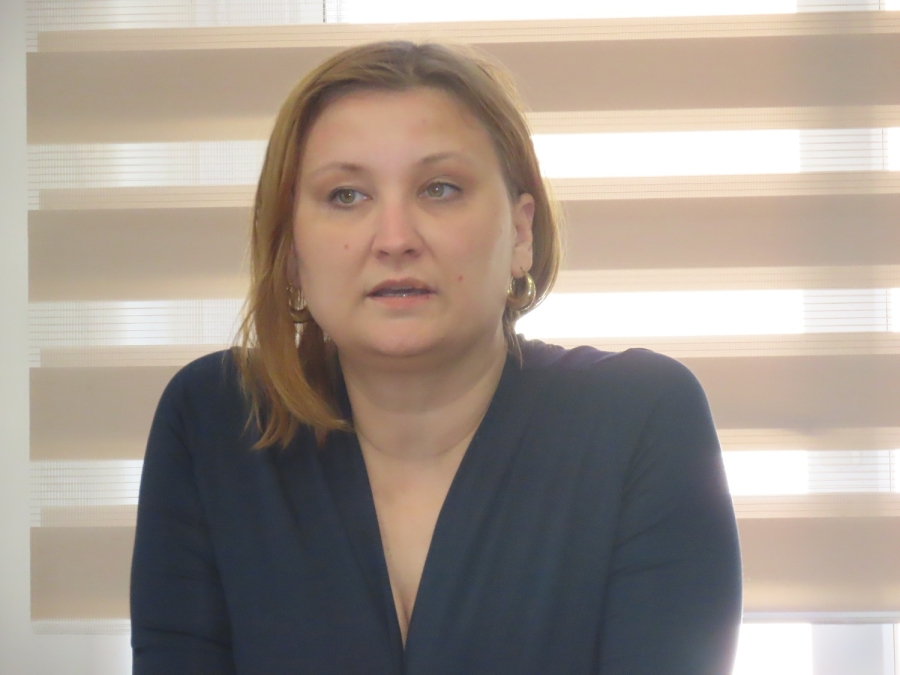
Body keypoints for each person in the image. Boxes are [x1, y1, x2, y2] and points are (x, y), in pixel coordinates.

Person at [130, 41, 742, 674]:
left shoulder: (639, 420)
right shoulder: (216, 420)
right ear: (291, 249)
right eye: (346, 195)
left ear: (521, 233)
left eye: (440, 189)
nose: (395, 239)